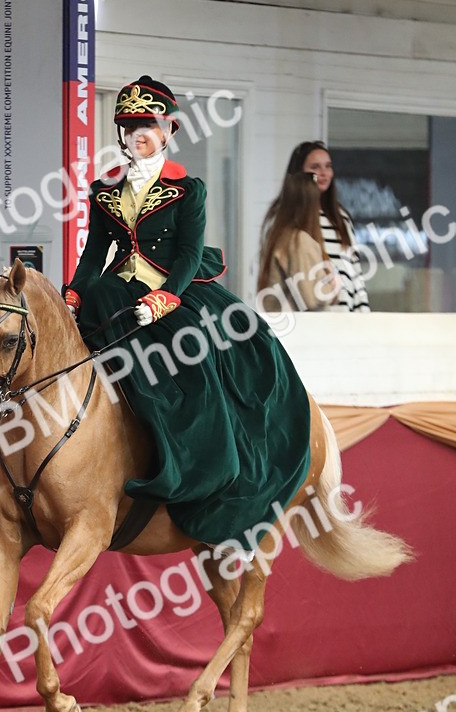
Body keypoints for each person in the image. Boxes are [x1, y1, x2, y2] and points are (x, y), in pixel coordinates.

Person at [63, 74, 312, 548]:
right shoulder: (104, 189)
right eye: (129, 126)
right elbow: (94, 254)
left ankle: (192, 464)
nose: (137, 134)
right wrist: (74, 294)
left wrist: (163, 299)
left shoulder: (188, 189)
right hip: (115, 292)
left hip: (174, 291)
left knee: (195, 362)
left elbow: (189, 255)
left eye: (147, 125)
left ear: (167, 131)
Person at [272, 140, 370, 312]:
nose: (324, 173)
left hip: (346, 316)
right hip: (312, 316)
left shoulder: (341, 217)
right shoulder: (289, 220)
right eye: (315, 167)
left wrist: (363, 314)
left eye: (328, 166)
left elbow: (354, 272)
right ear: (300, 174)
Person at [257, 170, 341, 312]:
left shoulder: (278, 237)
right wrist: (333, 287)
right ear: (310, 204)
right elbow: (310, 298)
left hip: (279, 321)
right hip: (298, 323)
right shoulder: (299, 241)